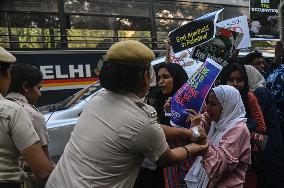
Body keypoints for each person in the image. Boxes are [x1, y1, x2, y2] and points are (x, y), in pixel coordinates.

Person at [45, 40, 209, 188]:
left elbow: (149, 129)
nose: (159, 81)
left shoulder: (98, 99)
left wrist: (189, 133)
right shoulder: (140, 118)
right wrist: (196, 146)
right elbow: (167, 158)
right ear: (145, 77)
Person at [0, 47, 54, 188]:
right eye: (39, 88)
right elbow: (43, 170)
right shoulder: (13, 111)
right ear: (4, 75)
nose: (40, 94)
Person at [185, 85, 251, 187]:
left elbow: (218, 167)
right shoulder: (217, 123)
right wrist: (196, 124)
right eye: (208, 103)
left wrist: (200, 135)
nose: (207, 108)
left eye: (213, 104)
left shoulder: (239, 129)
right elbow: (195, 139)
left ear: (227, 106)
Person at [219, 62, 266, 188]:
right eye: (231, 79)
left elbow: (261, 128)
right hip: (221, 158)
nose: (235, 83)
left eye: (239, 80)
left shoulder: (249, 97)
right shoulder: (217, 98)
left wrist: (240, 136)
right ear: (224, 80)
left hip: (245, 159)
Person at [245, 65, 284, 188]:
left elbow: (256, 123)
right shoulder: (260, 90)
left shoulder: (259, 92)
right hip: (271, 144)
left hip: (268, 146)